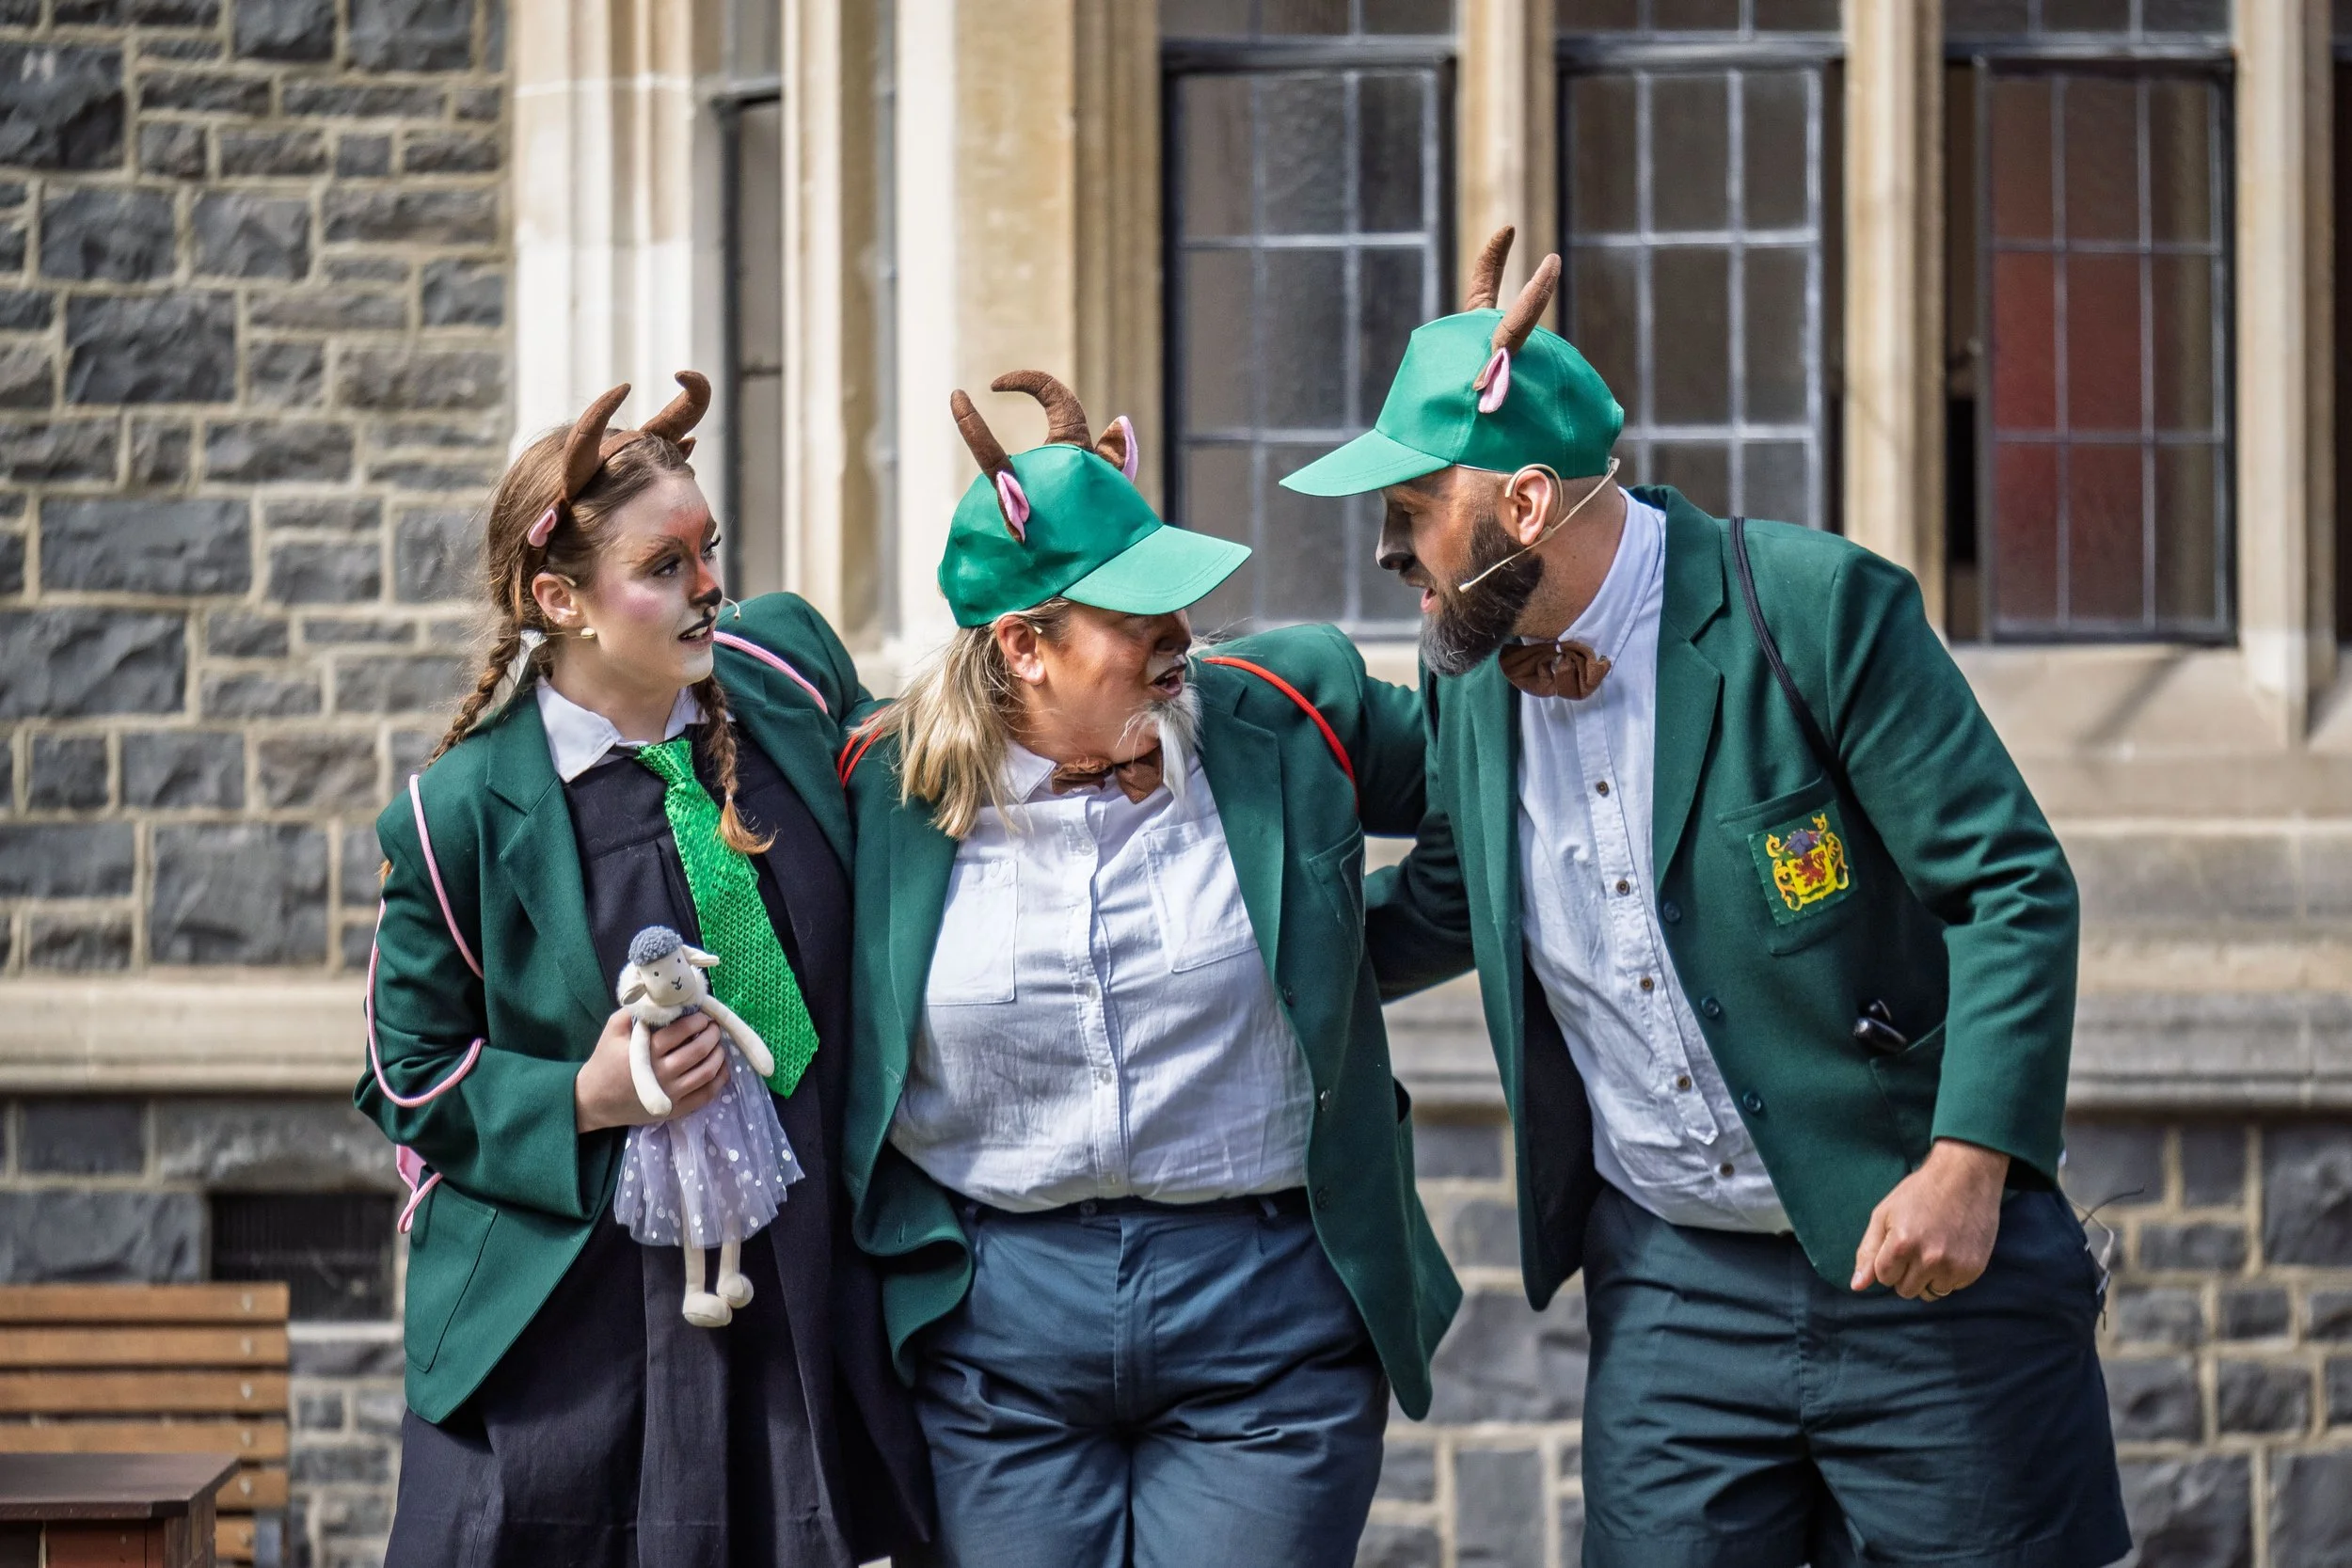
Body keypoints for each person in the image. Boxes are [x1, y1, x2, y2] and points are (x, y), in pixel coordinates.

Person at [1283, 229, 2130, 1568]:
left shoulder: (1813, 604)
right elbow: (1452, 897)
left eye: (1412, 511)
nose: (1392, 550)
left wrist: (1973, 1162)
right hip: (1675, 1283)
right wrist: (1253, 961)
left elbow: (2012, 882)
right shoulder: (1467, 674)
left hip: (1922, 1257)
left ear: (1523, 504)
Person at [839, 371, 1460, 1568]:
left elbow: (1485, 801)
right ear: (1024, 644)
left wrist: (1330, 965)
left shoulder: (1287, 708)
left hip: (1265, 1308)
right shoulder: (877, 788)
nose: (1182, 637)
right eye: (1137, 617)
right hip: (991, 1322)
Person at [358, 372, 931, 1567]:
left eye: (709, 550)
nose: (709, 585)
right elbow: (402, 1075)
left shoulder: (787, 686)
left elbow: (935, 787)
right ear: (560, 597)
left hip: (791, 1289)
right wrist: (586, 1095)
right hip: (564, 1331)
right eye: (665, 565)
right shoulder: (454, 815)